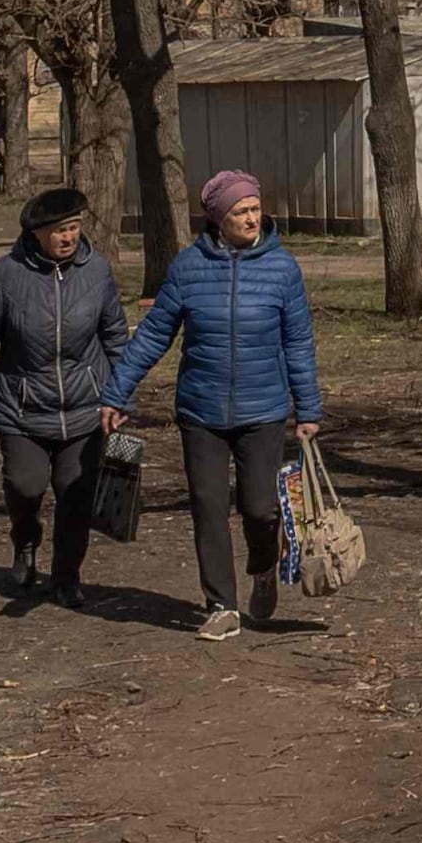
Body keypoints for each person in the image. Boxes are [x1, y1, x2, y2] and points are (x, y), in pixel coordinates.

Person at [116, 168, 321, 640]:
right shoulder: (188, 269)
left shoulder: (282, 269)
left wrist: (307, 409)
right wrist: (117, 391)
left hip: (263, 409)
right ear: (217, 219)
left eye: (255, 209)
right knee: (208, 505)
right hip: (200, 410)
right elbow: (152, 336)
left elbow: (298, 343)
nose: (252, 218)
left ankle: (264, 568)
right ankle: (221, 605)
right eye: (240, 212)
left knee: (260, 508)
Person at [0, 185, 138, 613]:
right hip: (23, 407)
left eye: (73, 228)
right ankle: (25, 537)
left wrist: (122, 397)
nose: (68, 237)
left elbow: (115, 338)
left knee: (75, 494)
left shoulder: (98, 272)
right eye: (57, 230)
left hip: (86, 409)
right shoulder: (5, 276)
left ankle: (67, 577)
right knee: (24, 484)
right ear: (35, 234)